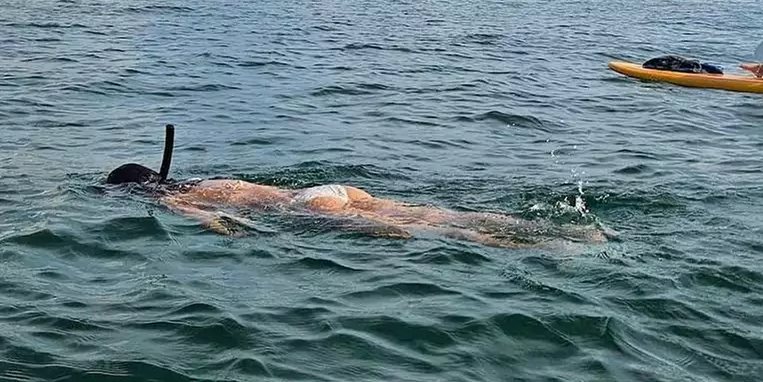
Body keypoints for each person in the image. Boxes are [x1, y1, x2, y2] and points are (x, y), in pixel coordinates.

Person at [103, 162, 604, 248]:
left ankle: (518, 246)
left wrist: (236, 236)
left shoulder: (176, 200)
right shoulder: (205, 178)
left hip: (308, 205)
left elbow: (215, 222)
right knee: (434, 214)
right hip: (334, 188)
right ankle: (568, 229)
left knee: (430, 234)